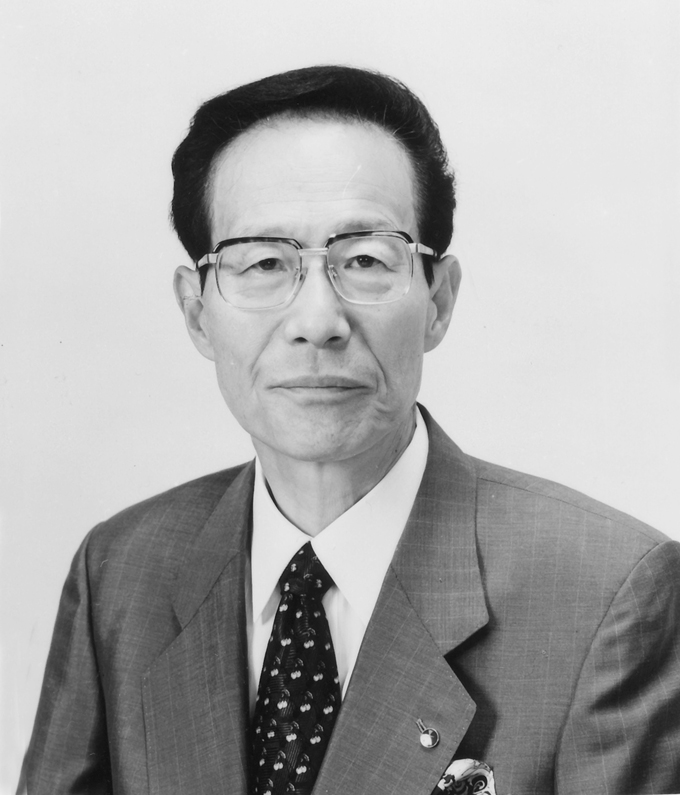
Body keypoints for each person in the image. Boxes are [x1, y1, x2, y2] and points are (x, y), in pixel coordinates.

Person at [19, 66, 680, 795]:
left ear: (438, 300)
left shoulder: (607, 594)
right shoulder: (120, 572)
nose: (316, 322)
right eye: (263, 262)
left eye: (364, 260)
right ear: (196, 312)